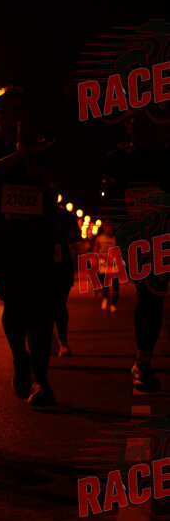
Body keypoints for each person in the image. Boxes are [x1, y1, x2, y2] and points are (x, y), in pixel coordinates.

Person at [0, 86, 57, 407]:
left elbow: (43, 183)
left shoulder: (41, 144)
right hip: (3, 239)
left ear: (26, 114)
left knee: (41, 309)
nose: (11, 115)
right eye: (4, 110)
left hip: (37, 237)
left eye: (17, 109)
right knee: (14, 306)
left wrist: (29, 152)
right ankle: (19, 356)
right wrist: (20, 155)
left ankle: (41, 380)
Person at [101, 106, 170, 392]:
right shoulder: (117, 159)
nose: (141, 127)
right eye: (135, 122)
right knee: (147, 292)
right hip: (133, 237)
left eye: (146, 122)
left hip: (163, 237)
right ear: (127, 127)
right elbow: (109, 198)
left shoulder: (165, 158)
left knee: (156, 298)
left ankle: (144, 360)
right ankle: (142, 363)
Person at [51, 202, 79, 355]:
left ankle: (62, 341)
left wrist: (64, 237)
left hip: (62, 264)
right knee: (44, 305)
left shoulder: (64, 215)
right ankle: (51, 340)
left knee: (60, 304)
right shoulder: (33, 211)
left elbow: (77, 234)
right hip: (39, 265)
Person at [93, 222, 121, 312]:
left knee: (115, 284)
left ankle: (114, 304)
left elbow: (120, 249)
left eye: (110, 227)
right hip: (103, 263)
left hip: (113, 264)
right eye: (107, 227)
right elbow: (95, 251)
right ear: (104, 228)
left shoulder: (115, 238)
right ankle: (106, 297)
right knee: (105, 283)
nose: (108, 229)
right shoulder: (99, 238)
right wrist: (101, 256)